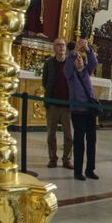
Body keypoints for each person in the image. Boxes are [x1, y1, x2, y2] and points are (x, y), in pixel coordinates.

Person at [66, 38, 102, 181]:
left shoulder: (87, 71)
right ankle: (78, 171)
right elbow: (68, 64)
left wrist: (86, 48)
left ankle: (90, 169)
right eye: (77, 59)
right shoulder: (70, 74)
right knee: (79, 141)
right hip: (78, 111)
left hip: (90, 111)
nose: (79, 60)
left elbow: (94, 62)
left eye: (81, 58)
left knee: (91, 140)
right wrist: (75, 52)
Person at [40, 37, 76, 168]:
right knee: (51, 134)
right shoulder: (49, 63)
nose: (61, 47)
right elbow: (45, 81)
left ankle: (67, 159)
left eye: (63, 45)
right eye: (58, 45)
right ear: (54, 48)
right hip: (53, 104)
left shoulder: (70, 63)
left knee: (69, 136)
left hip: (67, 105)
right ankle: (52, 158)